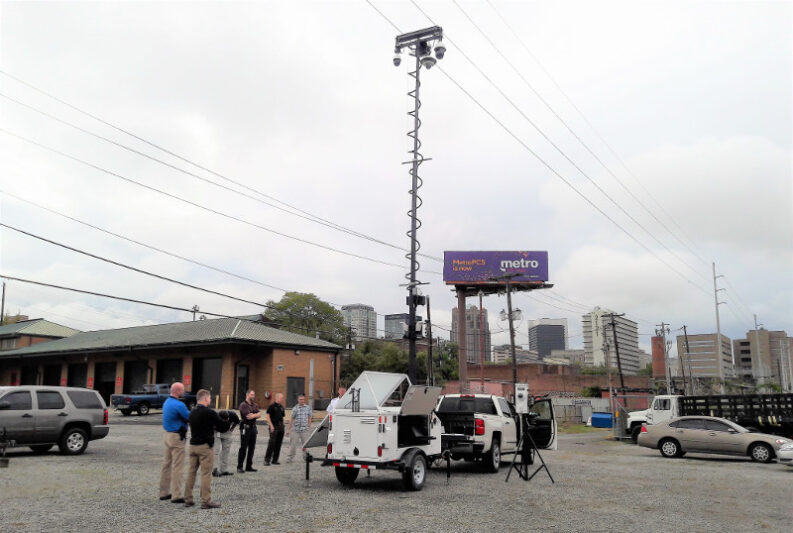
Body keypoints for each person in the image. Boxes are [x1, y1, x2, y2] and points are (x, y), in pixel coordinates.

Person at [184, 389, 231, 509]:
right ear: (205, 398)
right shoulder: (210, 413)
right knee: (206, 474)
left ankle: (188, 498)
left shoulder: (192, 412)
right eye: (210, 398)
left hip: (193, 445)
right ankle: (206, 500)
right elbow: (223, 427)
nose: (210, 400)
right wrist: (226, 419)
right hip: (205, 447)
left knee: (191, 472)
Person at [159, 382, 190, 504]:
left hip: (167, 435)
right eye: (182, 390)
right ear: (177, 391)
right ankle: (176, 495)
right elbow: (189, 417)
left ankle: (163, 492)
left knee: (166, 465)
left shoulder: (167, 402)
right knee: (178, 466)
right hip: (177, 437)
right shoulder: (179, 405)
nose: (184, 392)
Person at [237, 389, 261, 473]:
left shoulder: (255, 405)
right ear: (247, 395)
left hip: (253, 428)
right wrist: (256, 415)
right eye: (251, 394)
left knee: (252, 448)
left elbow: (259, 414)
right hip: (245, 428)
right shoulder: (243, 405)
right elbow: (248, 416)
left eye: (254, 394)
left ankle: (248, 466)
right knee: (243, 448)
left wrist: (254, 415)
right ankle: (239, 467)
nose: (253, 396)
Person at [285, 394, 312, 463]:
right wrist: (288, 430)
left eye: (303, 399)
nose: (302, 401)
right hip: (295, 430)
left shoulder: (308, 408)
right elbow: (292, 419)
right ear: (298, 400)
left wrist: (309, 426)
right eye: (300, 399)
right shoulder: (295, 408)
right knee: (293, 445)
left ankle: (306, 457)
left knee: (306, 445)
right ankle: (290, 458)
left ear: (304, 400)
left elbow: (309, 417)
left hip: (304, 430)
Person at [212, 410, 240, 477]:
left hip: (227, 432)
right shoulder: (215, 417)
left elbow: (236, 422)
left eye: (228, 419)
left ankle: (223, 470)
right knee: (216, 450)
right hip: (217, 432)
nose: (227, 420)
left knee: (226, 451)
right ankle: (214, 470)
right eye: (225, 419)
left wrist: (231, 430)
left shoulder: (233, 414)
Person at [263, 393, 285, 465]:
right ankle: (267, 460)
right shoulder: (271, 406)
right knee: (272, 443)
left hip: (280, 427)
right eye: (281, 398)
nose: (282, 399)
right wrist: (271, 426)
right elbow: (267, 416)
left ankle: (275, 460)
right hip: (274, 426)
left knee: (278, 444)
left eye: (282, 398)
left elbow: (282, 417)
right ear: (277, 398)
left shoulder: (281, 407)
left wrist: (283, 424)